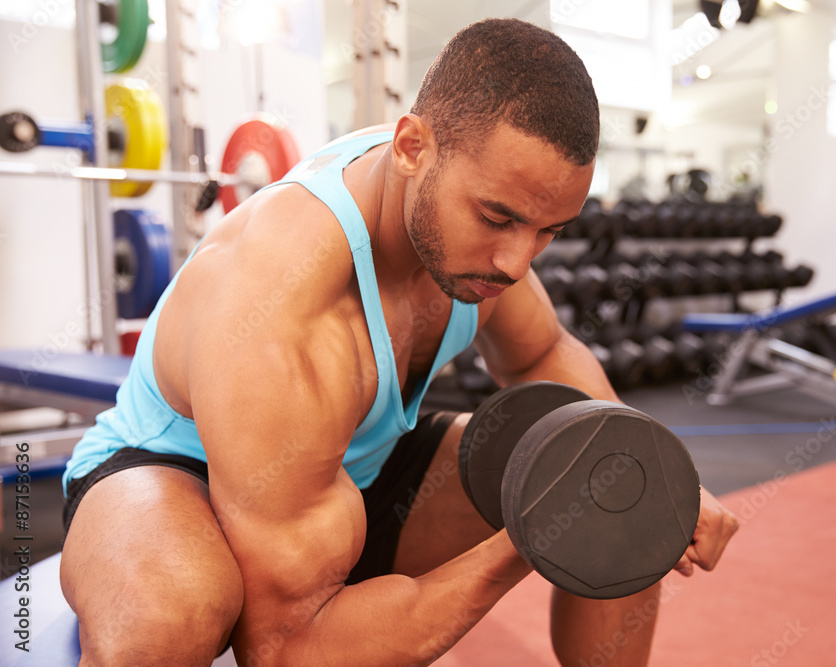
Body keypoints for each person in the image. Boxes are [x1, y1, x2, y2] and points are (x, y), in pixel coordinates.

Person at [59, 18, 739, 666]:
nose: (516, 263)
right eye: (499, 217)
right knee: (168, 614)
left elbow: (541, 354)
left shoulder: (466, 211)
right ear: (412, 147)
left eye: (546, 231)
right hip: (174, 472)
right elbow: (287, 648)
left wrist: (653, 474)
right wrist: (529, 540)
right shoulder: (283, 297)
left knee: (626, 482)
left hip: (349, 476)